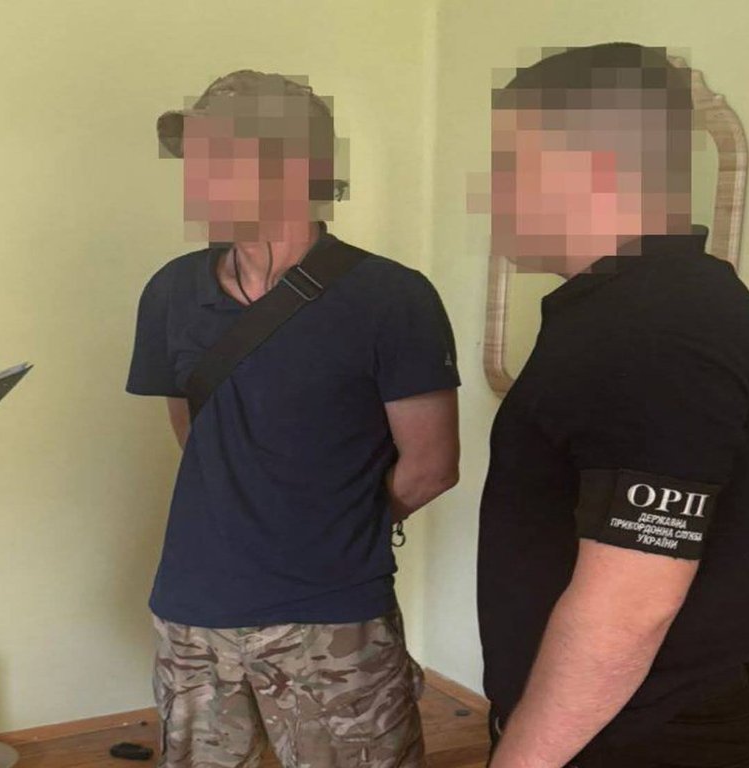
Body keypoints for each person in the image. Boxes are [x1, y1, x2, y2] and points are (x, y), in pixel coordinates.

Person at [128, 70, 461, 768]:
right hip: (194, 610)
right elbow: (194, 432)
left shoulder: (392, 298)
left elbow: (431, 466)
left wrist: (332, 526)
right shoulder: (170, 292)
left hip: (334, 617)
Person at [476, 44, 749, 768]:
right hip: (610, 726)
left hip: (635, 739)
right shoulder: (639, 309)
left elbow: (627, 611)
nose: (491, 193)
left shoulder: (656, 332)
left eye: (508, 165)